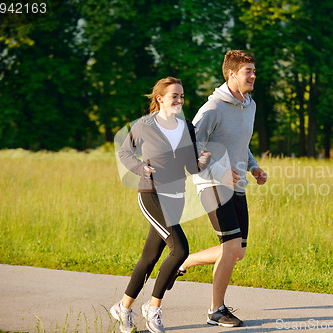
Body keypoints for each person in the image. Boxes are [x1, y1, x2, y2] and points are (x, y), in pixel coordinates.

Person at [168, 50, 267, 327]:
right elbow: (190, 150)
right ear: (231, 74)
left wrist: (253, 167)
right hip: (211, 183)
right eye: (248, 71)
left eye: (254, 70)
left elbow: (241, 142)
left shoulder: (250, 105)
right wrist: (218, 172)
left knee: (238, 251)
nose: (253, 75)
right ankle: (216, 311)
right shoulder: (212, 109)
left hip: (236, 185)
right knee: (230, 245)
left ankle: (185, 260)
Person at [110, 77, 210, 333]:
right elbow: (124, 152)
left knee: (150, 256)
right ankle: (153, 309)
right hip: (152, 193)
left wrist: (202, 162)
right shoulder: (144, 125)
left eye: (182, 96)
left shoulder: (186, 127)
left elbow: (190, 166)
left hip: (177, 197)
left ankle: (123, 306)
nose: (179, 100)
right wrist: (140, 167)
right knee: (180, 251)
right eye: (174, 96)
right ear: (160, 99)